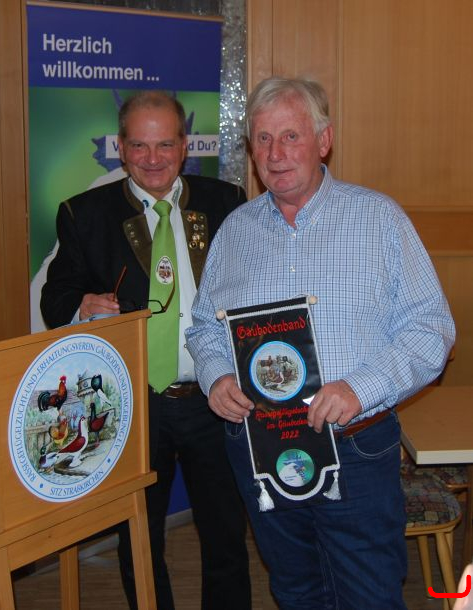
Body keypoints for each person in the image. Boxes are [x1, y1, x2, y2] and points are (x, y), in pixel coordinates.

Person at [186, 76, 456, 609]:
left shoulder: (379, 219)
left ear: (324, 140)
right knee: (295, 591)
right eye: (263, 139)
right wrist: (216, 376)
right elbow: (204, 328)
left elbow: (432, 329)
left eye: (291, 136)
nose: (275, 154)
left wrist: (359, 388)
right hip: (262, 447)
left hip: (355, 446)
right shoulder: (235, 231)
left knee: (370, 596)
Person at [40, 90, 251, 610]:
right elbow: (55, 297)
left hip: (215, 397)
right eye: (139, 145)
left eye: (165, 145)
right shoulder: (83, 213)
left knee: (226, 534)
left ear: (184, 145)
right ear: (120, 146)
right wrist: (81, 304)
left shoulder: (227, 202)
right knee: (139, 538)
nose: (152, 159)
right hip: (133, 404)